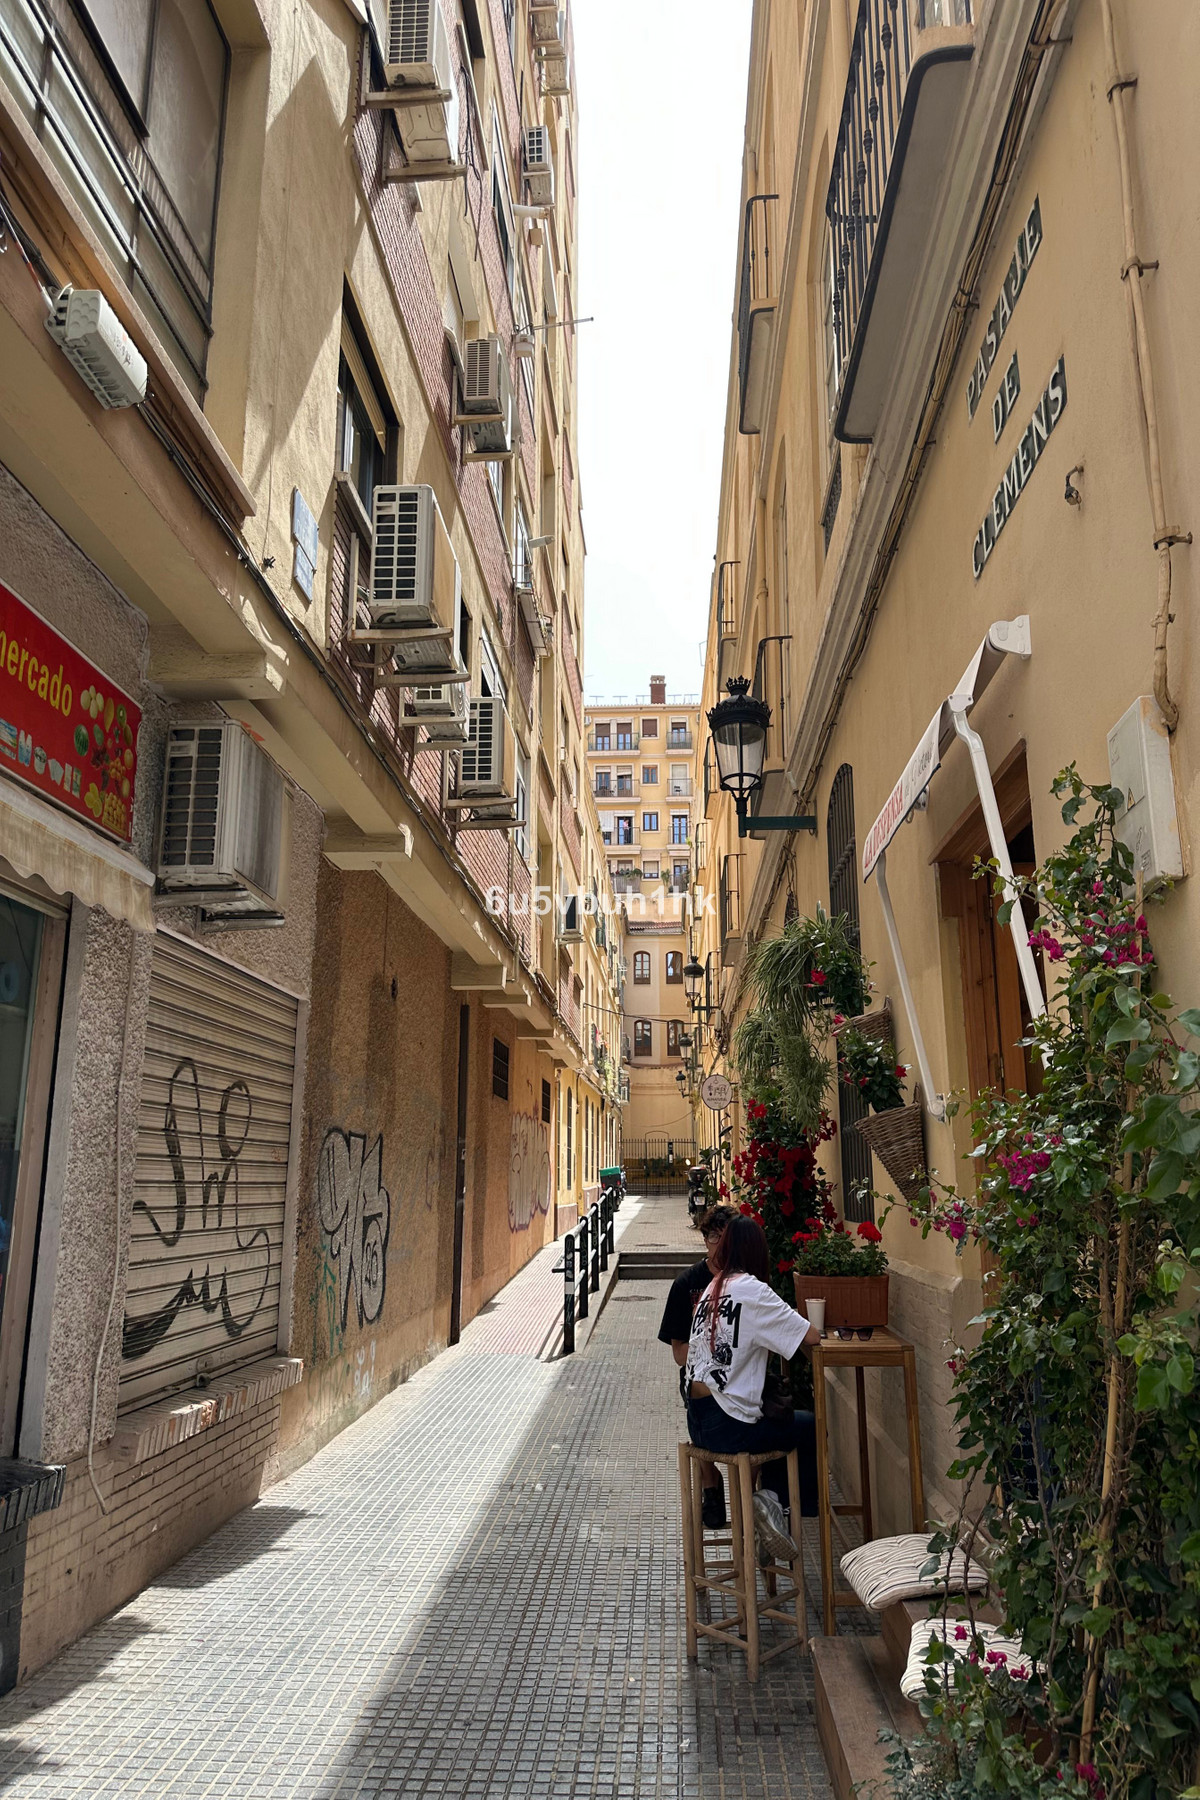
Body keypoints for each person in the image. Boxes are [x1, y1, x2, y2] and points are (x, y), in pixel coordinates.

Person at [685, 1215, 820, 1561]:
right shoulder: (753, 1290)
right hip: (729, 1426)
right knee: (807, 1426)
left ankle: (770, 1506)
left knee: (776, 1420)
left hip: (698, 1423)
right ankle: (778, 1511)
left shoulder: (712, 1289)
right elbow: (809, 1336)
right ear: (759, 1252)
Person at [658, 1204, 738, 1528]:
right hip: (699, 1377)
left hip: (740, 1374)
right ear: (705, 1240)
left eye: (726, 1237)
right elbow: (679, 1353)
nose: (719, 1244)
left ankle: (754, 1498)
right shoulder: (687, 1284)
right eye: (713, 1236)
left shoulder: (748, 1281)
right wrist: (711, 1350)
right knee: (699, 1401)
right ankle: (710, 1482)